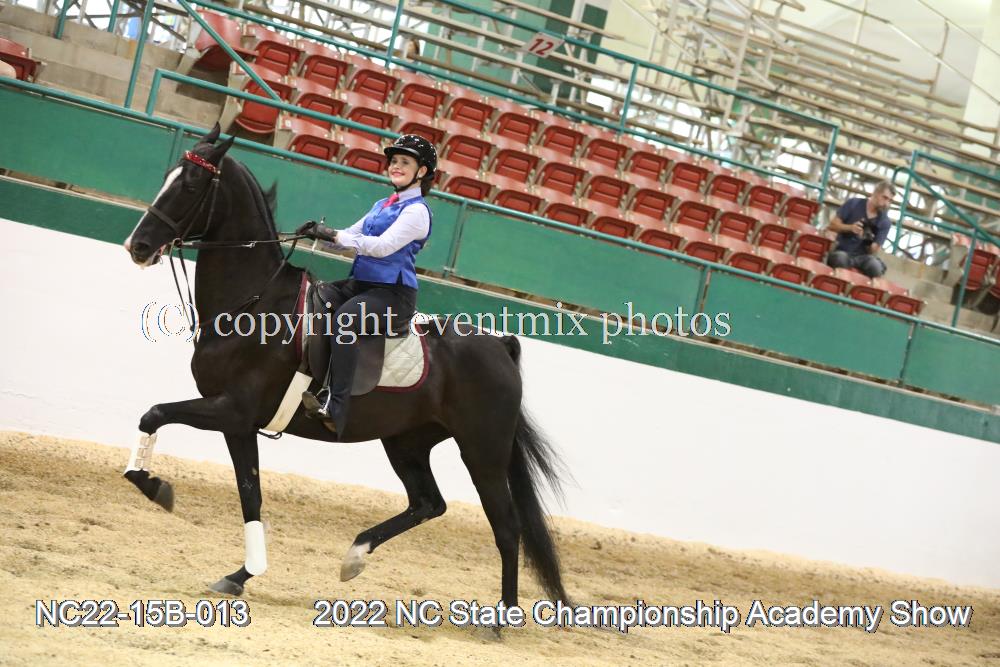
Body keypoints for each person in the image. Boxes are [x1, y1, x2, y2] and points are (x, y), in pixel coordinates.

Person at [294, 134, 437, 433]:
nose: (396, 166)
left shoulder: (417, 212)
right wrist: (320, 234)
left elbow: (382, 247)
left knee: (345, 321)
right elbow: (350, 236)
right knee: (316, 295)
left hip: (393, 295)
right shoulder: (381, 204)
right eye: (394, 161)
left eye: (405, 162)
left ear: (421, 171)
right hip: (360, 284)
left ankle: (336, 407)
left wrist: (335, 235)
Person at [825, 181, 895, 278]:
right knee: (840, 258)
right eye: (885, 198)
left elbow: (873, 250)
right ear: (875, 193)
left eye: (890, 201)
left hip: (863, 257)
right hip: (843, 250)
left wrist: (868, 240)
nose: (886, 203)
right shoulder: (854, 203)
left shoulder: (884, 222)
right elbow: (832, 225)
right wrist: (850, 228)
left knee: (875, 266)